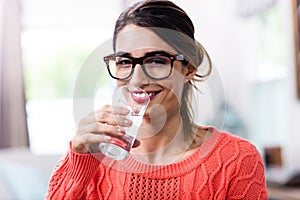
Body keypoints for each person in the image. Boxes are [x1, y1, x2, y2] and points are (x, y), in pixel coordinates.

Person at [46, 0, 268, 199]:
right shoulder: (91, 156)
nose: (138, 79)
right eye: (124, 61)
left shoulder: (237, 159)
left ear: (188, 67)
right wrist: (78, 163)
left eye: (157, 60)